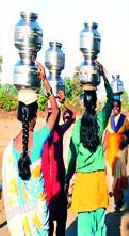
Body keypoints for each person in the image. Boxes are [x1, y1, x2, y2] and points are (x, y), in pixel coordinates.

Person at [2, 62, 58, 235]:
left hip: (21, 223)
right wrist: (45, 81)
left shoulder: (10, 149)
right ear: (34, 116)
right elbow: (55, 111)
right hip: (39, 219)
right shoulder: (40, 138)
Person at [65, 61, 113, 235]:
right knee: (100, 228)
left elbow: (71, 160)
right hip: (99, 183)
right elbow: (112, 100)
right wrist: (104, 77)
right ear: (95, 103)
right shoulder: (100, 121)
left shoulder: (77, 129)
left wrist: (66, 181)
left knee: (85, 230)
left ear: (83, 103)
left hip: (84, 185)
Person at [42, 90, 76, 236]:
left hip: (56, 185)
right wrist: (62, 103)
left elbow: (73, 116)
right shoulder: (46, 134)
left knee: (56, 224)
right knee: (53, 225)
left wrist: (63, 101)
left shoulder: (58, 131)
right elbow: (73, 115)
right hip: (51, 186)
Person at [103, 99, 129, 213]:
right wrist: (102, 149)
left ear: (120, 107)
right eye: (113, 107)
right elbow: (106, 136)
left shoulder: (124, 120)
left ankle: (119, 199)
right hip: (111, 152)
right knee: (112, 175)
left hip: (121, 152)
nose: (115, 109)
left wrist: (123, 143)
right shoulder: (109, 120)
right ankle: (117, 199)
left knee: (119, 175)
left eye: (117, 107)